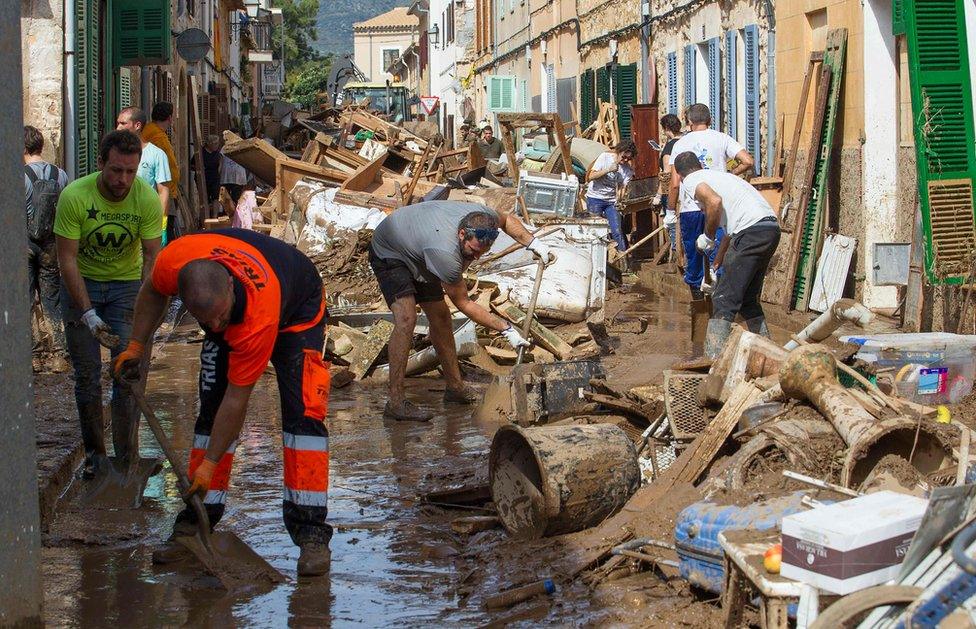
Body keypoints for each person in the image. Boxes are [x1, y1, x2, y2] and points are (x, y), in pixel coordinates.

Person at [113, 228, 332, 576]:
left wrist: (210, 463)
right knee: (209, 411)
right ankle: (198, 519)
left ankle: (310, 532)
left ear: (230, 286)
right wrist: (137, 345)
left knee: (303, 418)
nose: (214, 324)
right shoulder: (174, 260)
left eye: (219, 315)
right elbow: (153, 291)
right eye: (205, 320)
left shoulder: (257, 318)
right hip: (250, 284)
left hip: (297, 309)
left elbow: (238, 399)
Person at [369, 201, 551, 421]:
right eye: (472, 252)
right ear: (462, 234)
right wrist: (506, 329)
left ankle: (455, 388)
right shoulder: (444, 253)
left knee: (441, 316)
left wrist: (534, 243)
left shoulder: (484, 218)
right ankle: (396, 402)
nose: (475, 258)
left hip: (419, 242)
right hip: (390, 248)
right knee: (406, 317)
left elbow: (507, 220)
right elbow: (464, 303)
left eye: (481, 254)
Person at [54, 130, 163, 479]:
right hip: (80, 283)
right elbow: (67, 260)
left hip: (125, 288)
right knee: (87, 376)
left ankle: (126, 456)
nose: (123, 180)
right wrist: (86, 313)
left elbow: (151, 259)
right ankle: (96, 458)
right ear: (101, 164)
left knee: (127, 373)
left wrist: (143, 314)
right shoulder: (74, 197)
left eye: (130, 172)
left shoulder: (144, 199)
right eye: (116, 170)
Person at [673, 151, 780, 358]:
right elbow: (730, 235)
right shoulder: (723, 177)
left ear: (680, 175)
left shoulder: (692, 180)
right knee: (748, 300)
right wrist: (715, 267)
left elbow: (714, 202)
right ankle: (769, 356)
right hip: (769, 229)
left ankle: (713, 362)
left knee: (723, 300)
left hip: (750, 232)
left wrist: (707, 236)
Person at [668, 103, 755, 298]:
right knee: (718, 257)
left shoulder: (680, 143)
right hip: (718, 207)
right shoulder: (722, 138)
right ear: (710, 120)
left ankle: (699, 304)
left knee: (695, 257)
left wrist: (670, 211)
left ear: (689, 122)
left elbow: (674, 183)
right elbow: (748, 161)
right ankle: (719, 305)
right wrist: (730, 174)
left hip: (691, 207)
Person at [24, 125, 70, 369]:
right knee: (52, 297)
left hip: (26, 243)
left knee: (27, 298)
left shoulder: (19, 175)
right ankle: (59, 354)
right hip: (52, 244)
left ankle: (33, 354)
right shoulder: (60, 174)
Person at [116, 107, 171, 233]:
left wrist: (160, 225)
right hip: (118, 222)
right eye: (118, 123)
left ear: (137, 125)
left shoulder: (157, 155)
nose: (118, 128)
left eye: (123, 123)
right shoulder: (114, 154)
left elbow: (163, 192)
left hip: (146, 222)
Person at [585, 140, 636, 252]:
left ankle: (623, 259)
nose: (625, 160)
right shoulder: (605, 157)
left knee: (617, 230)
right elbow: (591, 176)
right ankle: (594, 255)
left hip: (611, 201)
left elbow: (622, 188)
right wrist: (608, 170)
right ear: (618, 152)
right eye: (623, 157)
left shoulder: (627, 169)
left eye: (628, 159)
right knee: (595, 230)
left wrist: (620, 199)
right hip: (595, 198)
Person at [143, 102, 181, 244]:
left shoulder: (151, 132)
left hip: (161, 187)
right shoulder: (157, 136)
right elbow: (167, 165)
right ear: (170, 118)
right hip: (162, 188)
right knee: (166, 227)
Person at [654, 114, 683, 256]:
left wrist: (659, 195)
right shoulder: (686, 140)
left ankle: (676, 256)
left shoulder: (670, 146)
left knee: (672, 225)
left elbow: (667, 174)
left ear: (666, 128)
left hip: (672, 190)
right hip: (687, 188)